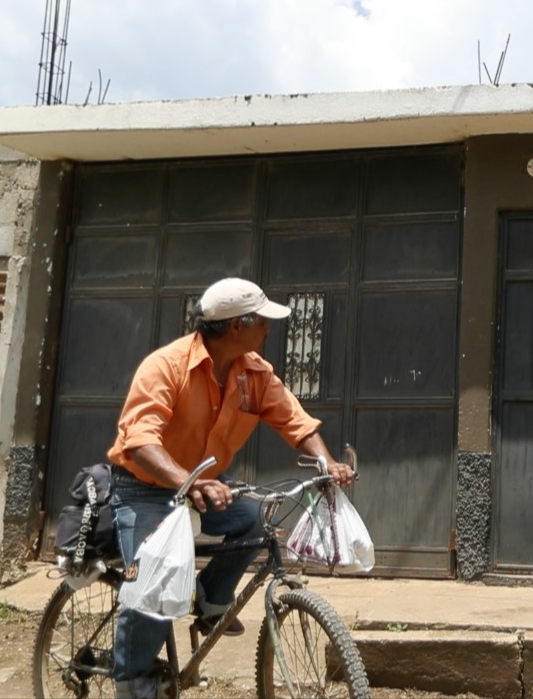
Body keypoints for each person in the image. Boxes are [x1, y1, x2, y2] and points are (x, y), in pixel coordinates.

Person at [106, 277, 356, 699]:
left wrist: (326, 462)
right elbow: (141, 441)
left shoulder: (253, 372)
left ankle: (211, 602)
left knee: (256, 522)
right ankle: (132, 683)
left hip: (205, 482)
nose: (269, 330)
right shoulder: (166, 366)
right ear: (237, 326)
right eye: (262, 321)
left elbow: (295, 421)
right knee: (154, 580)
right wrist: (190, 482)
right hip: (145, 487)